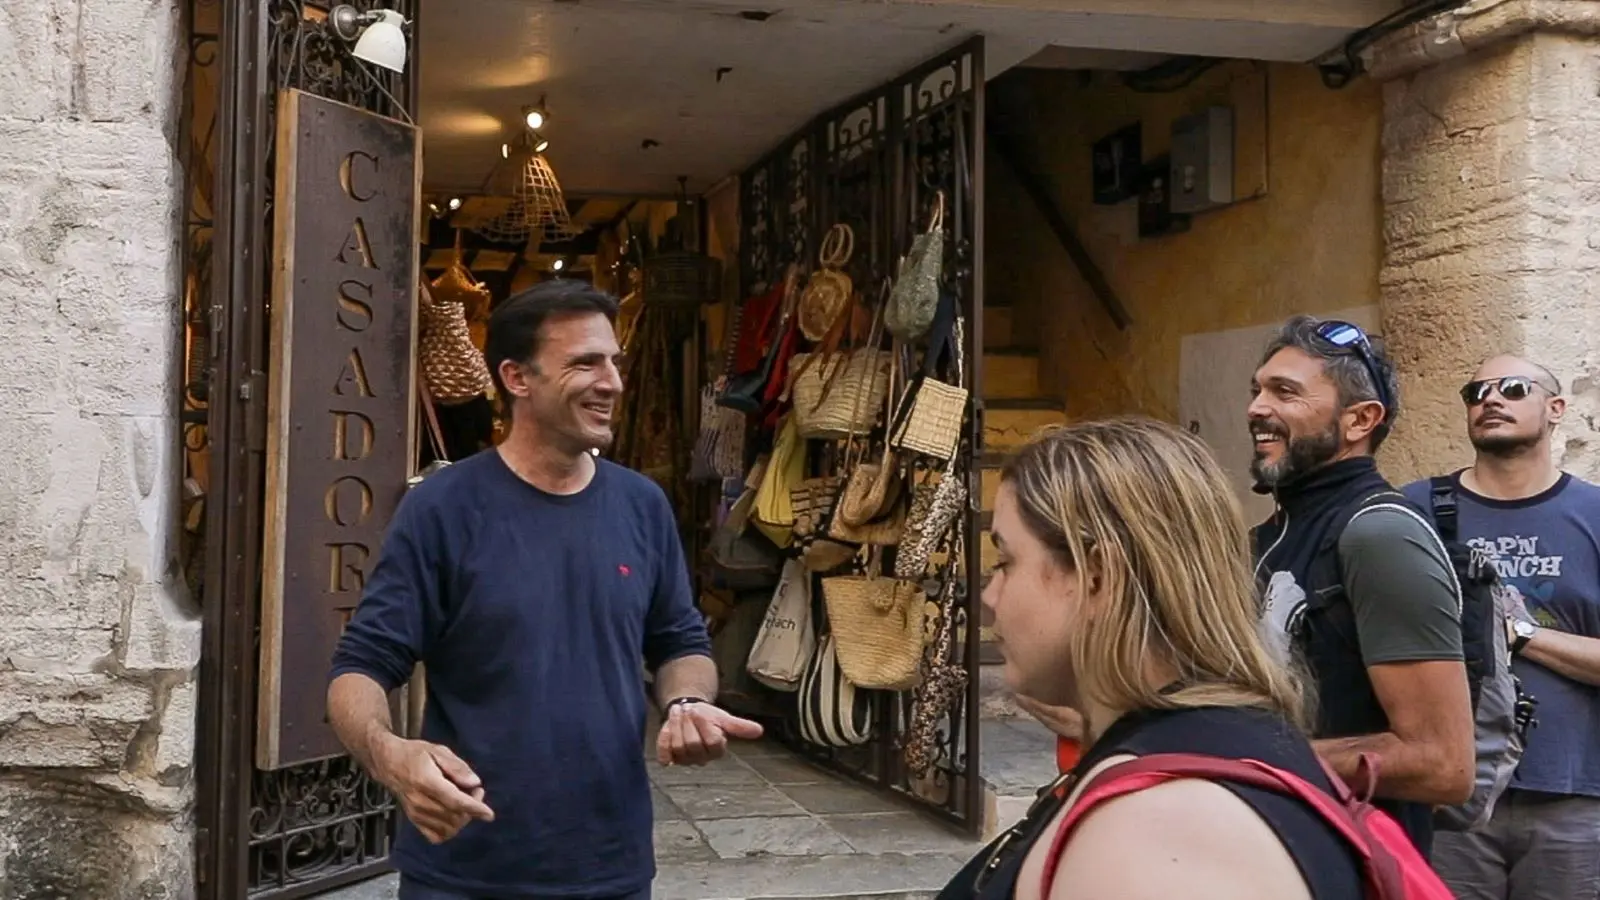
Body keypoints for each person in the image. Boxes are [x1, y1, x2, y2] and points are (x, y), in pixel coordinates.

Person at [326, 279, 762, 900]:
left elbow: (679, 642)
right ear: (516, 378)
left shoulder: (642, 505)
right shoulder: (443, 509)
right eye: (585, 362)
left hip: (609, 865)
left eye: (614, 361)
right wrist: (387, 754)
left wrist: (686, 703)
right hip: (465, 867)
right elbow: (361, 666)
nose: (611, 381)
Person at [939, 417, 1366, 899]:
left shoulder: (1161, 836)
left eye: (1005, 563)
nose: (990, 597)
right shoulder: (1212, 743)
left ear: (1096, 575)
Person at [1248, 315, 1474, 856]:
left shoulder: (1379, 534)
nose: (1256, 408)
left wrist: (1248, 761)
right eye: (1256, 390)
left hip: (1353, 861)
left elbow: (1444, 765)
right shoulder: (1272, 534)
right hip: (1274, 846)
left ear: (1360, 420)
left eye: (1284, 392)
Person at [1402, 355, 1600, 900]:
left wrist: (1519, 633)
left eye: (1513, 388)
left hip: (1572, 795)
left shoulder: (1593, 514)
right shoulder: (1415, 508)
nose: (1491, 399)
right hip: (1450, 792)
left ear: (1556, 408)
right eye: (1476, 391)